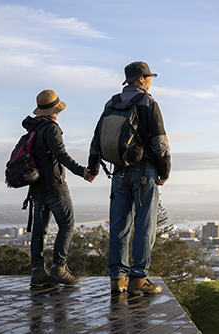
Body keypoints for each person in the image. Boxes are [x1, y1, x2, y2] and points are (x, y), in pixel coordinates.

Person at [88, 61, 171, 295]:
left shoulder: (112, 102)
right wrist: (164, 171)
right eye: (149, 78)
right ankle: (138, 279)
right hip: (144, 172)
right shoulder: (148, 101)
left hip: (118, 171)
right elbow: (160, 141)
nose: (151, 82)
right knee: (144, 225)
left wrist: (93, 167)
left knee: (119, 225)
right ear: (142, 79)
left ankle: (117, 279)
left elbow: (97, 137)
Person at [26, 89, 95, 287]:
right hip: (54, 186)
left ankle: (38, 272)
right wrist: (82, 171)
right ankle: (59, 269)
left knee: (39, 231)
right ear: (55, 110)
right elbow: (61, 155)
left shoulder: (34, 128)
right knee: (67, 224)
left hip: (36, 188)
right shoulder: (51, 128)